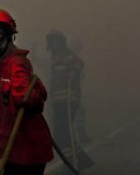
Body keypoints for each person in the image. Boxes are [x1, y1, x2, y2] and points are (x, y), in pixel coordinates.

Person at [0, 7, 53, 175]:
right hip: (17, 150)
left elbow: (26, 98)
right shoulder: (5, 65)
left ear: (9, 35)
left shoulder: (16, 64)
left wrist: (30, 95)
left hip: (27, 150)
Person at [46, 29, 92, 172]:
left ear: (61, 42)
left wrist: (73, 73)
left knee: (61, 134)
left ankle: (74, 163)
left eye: (55, 41)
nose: (53, 44)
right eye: (51, 41)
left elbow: (78, 63)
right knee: (60, 135)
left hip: (68, 100)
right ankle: (80, 160)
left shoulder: (66, 55)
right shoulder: (54, 59)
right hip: (58, 101)